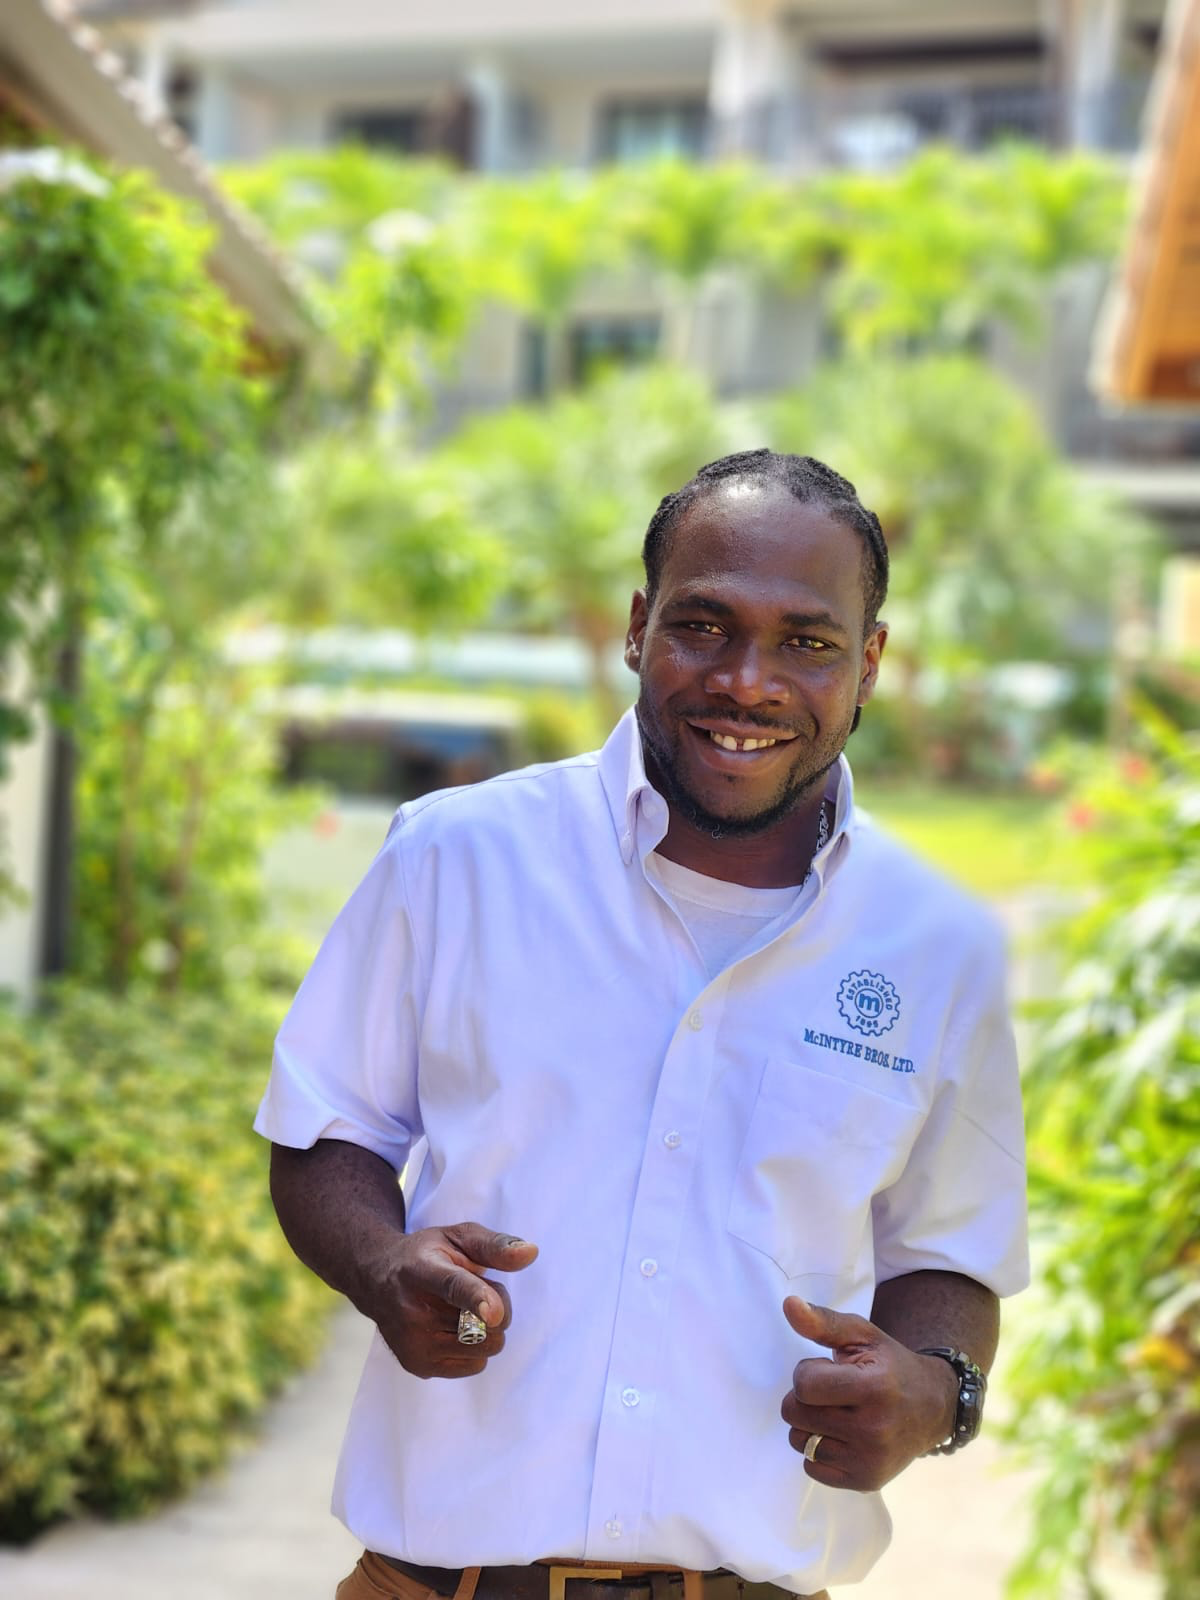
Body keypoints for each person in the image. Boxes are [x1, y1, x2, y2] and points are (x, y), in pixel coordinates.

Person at [257, 449, 1029, 1600]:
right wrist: (382, 1262)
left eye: (808, 642)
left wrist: (935, 1391)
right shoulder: (456, 856)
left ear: (868, 664)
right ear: (637, 627)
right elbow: (327, 1129)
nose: (748, 682)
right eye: (704, 626)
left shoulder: (937, 943)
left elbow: (949, 1254)